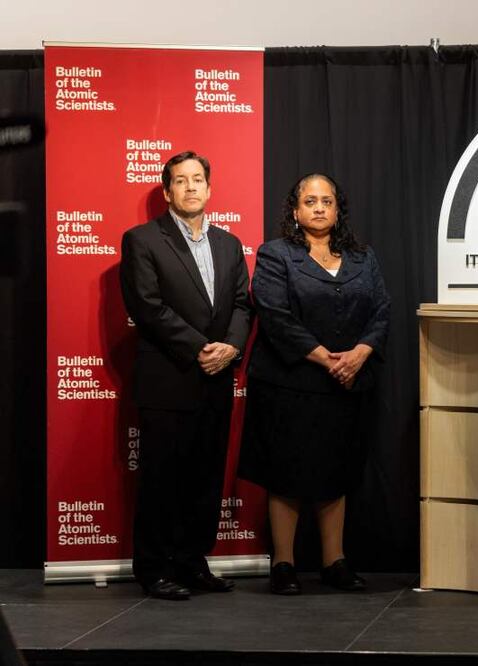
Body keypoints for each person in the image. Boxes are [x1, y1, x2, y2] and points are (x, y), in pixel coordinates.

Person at [239, 173, 390, 595]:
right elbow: (274, 315)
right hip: (290, 384)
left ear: (338, 210)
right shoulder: (275, 255)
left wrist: (361, 352)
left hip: (346, 384)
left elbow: (382, 310)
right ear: (295, 210)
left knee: (336, 474)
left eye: (327, 201)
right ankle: (283, 564)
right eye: (310, 201)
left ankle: (334, 562)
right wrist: (327, 358)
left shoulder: (363, 257)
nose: (319, 207)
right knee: (286, 474)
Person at [119, 151, 251, 600]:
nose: (192, 187)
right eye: (182, 180)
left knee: (205, 480)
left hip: (216, 380)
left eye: (199, 179)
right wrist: (200, 349)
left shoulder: (230, 245)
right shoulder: (142, 240)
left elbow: (242, 304)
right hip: (169, 379)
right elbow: (146, 305)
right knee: (161, 480)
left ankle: (193, 563)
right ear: (167, 190)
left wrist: (231, 348)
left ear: (210, 189)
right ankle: (154, 570)